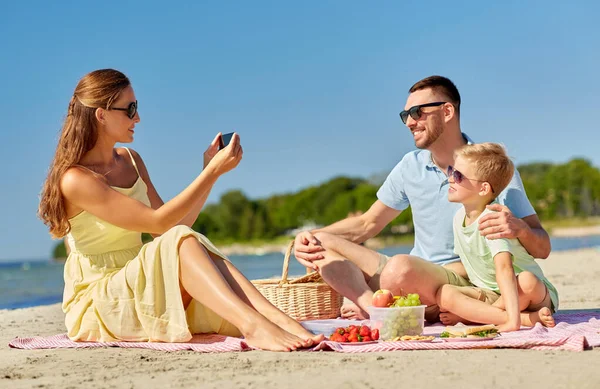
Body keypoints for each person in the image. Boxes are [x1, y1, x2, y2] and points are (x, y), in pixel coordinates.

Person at [37, 69, 323, 352]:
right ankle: (255, 326)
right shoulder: (75, 180)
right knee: (181, 239)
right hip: (98, 301)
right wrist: (210, 173)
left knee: (187, 237)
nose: (137, 118)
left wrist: (209, 172)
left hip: (141, 282)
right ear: (101, 115)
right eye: (131, 108)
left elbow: (171, 227)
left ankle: (276, 319)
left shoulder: (130, 160)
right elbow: (158, 221)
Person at [293, 75, 551, 321]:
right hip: (408, 274)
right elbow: (367, 224)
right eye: (405, 115)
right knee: (321, 242)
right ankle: (374, 307)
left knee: (399, 269)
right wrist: (307, 239)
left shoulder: (491, 169)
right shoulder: (409, 166)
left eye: (417, 112)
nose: (409, 122)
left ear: (447, 112)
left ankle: (398, 308)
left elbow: (542, 248)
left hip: (456, 280)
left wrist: (520, 229)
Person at [435, 143, 557, 331]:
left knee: (526, 280)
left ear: (483, 189)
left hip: (530, 294)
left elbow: (505, 269)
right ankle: (526, 319)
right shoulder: (458, 218)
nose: (450, 178)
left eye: (458, 175)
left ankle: (506, 318)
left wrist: (510, 321)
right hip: (491, 293)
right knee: (445, 294)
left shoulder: (492, 220)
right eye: (451, 171)